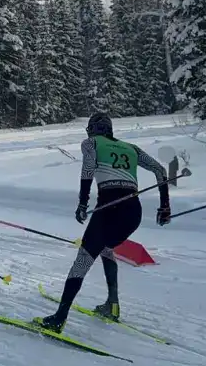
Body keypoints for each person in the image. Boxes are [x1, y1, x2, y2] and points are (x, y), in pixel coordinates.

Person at [34, 112, 171, 333]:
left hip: (109, 208)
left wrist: (82, 204)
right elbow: (160, 170)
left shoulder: (91, 143)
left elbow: (88, 169)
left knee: (82, 260)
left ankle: (59, 319)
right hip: (133, 211)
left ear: (92, 130)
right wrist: (165, 207)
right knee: (106, 248)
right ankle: (112, 305)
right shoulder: (132, 148)